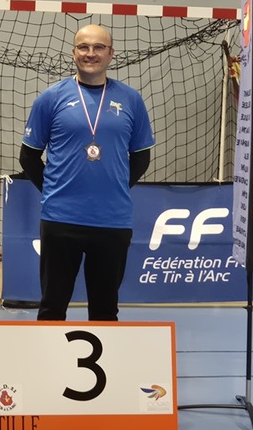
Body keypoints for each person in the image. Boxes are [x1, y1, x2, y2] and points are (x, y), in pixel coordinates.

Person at [19, 24, 154, 321]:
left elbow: (141, 156)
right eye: (83, 47)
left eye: (98, 47)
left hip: (112, 220)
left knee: (105, 311)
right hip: (60, 219)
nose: (90, 53)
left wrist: (115, 188)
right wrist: (56, 190)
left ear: (111, 53)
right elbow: (28, 157)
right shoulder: (51, 98)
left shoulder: (131, 100)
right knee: (52, 308)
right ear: (73, 52)